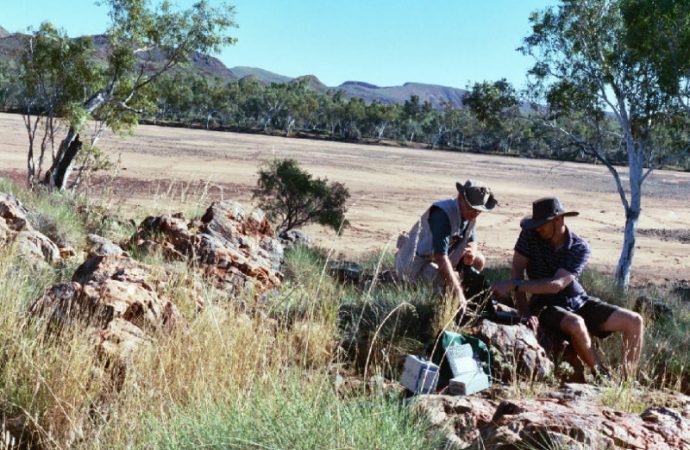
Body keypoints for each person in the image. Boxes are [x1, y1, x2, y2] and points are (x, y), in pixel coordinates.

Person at [492, 197, 644, 378]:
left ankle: (627, 381)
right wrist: (524, 311)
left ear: (559, 220)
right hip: (544, 304)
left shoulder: (579, 247)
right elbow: (517, 268)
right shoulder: (530, 234)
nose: (538, 228)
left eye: (543, 224)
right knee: (576, 323)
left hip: (576, 300)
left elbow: (556, 285)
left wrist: (513, 285)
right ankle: (602, 376)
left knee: (634, 321)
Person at [395, 179, 497, 311]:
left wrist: (472, 249)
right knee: (453, 277)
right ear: (460, 198)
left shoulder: (471, 214)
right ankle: (451, 303)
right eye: (472, 209)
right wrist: (458, 291)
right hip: (414, 266)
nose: (475, 214)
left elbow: (472, 239)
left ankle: (464, 299)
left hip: (439, 258)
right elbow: (440, 257)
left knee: (478, 260)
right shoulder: (443, 214)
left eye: (478, 211)